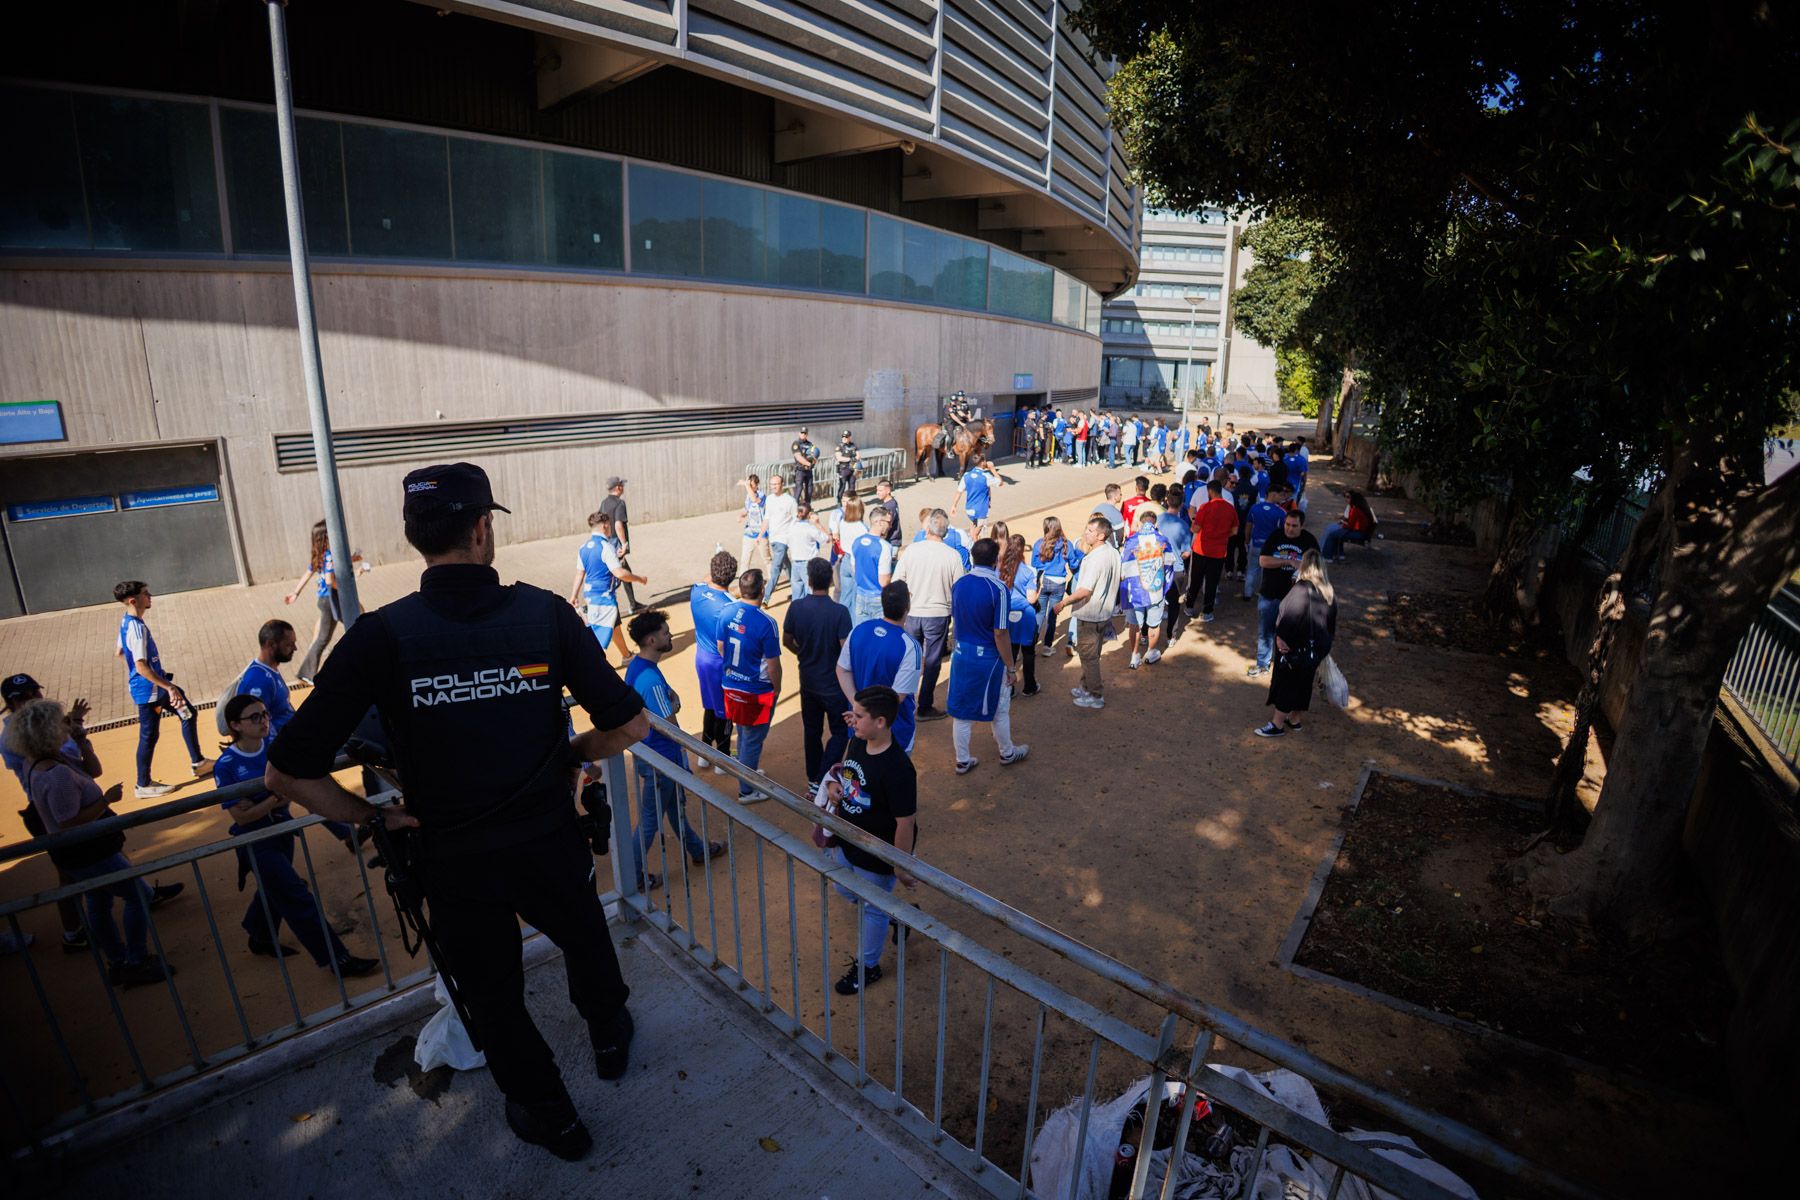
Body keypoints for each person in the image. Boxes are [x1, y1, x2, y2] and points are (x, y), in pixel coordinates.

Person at [264, 461, 651, 1162]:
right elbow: (629, 728)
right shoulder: (543, 614)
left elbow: (286, 770)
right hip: (547, 840)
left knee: (494, 996)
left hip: (451, 858)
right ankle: (608, 1036)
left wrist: (367, 816)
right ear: (482, 529)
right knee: (585, 936)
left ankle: (550, 1115)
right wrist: (570, 754)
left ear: (416, 539)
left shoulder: (381, 637)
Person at [6, 697, 181, 987]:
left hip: (77, 855)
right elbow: (70, 822)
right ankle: (135, 961)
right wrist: (105, 801)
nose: (66, 723)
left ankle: (118, 962)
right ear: (48, 731)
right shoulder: (56, 773)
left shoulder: (38, 762)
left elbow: (93, 769)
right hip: (91, 852)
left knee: (98, 902)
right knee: (138, 896)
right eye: (61, 721)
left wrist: (79, 734)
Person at [214, 694, 380, 976]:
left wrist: (265, 800)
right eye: (255, 717)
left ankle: (259, 934)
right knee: (295, 895)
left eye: (265, 714)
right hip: (256, 841)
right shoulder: (226, 765)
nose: (264, 721)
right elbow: (242, 816)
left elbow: (293, 787)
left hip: (282, 830)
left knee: (275, 887)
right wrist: (274, 796)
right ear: (235, 725)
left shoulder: (274, 744)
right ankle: (337, 959)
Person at [623, 610, 725, 889]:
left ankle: (697, 850)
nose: (670, 636)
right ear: (652, 639)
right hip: (662, 759)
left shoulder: (638, 667)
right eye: (666, 633)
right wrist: (675, 707)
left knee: (673, 808)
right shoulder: (650, 678)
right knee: (649, 821)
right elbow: (669, 724)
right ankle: (633, 875)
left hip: (653, 755)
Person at [827, 685, 917, 996]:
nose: (852, 719)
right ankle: (896, 916)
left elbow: (906, 822)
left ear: (880, 722)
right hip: (847, 839)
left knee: (872, 909)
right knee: (842, 887)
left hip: (876, 854)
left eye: (859, 715)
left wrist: (900, 866)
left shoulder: (898, 769)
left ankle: (868, 967)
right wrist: (833, 789)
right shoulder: (857, 740)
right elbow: (844, 773)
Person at [2, 673, 96, 953]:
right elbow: (61, 756)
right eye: (23, 697)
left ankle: (143, 893)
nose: (31, 699)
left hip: (75, 793)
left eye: (34, 692)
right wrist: (71, 727)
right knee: (68, 875)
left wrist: (71, 726)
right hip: (49, 809)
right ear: (10, 703)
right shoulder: (13, 737)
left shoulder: (45, 724)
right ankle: (72, 933)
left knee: (111, 853)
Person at [114, 579, 207, 799]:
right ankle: (142, 784)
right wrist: (167, 685)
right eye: (146, 593)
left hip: (156, 687)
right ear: (133, 600)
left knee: (187, 712)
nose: (150, 596)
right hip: (151, 692)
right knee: (148, 735)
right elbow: (140, 664)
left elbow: (119, 652)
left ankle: (199, 762)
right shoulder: (136, 628)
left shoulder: (126, 622)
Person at [946, 538, 1027, 774]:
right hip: (989, 659)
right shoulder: (999, 589)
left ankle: (962, 759)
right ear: (996, 560)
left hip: (961, 654)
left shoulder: (959, 584)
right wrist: (1011, 667)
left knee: (961, 711)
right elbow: (1000, 633)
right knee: (1000, 707)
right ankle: (1007, 752)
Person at [784, 559, 853, 790]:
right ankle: (824, 774)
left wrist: (801, 652)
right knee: (840, 732)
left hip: (808, 681)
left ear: (810, 580)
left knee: (812, 731)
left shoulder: (796, 607)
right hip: (833, 685)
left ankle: (814, 777)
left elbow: (787, 640)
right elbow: (846, 649)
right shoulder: (840, 612)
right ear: (831, 580)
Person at [893, 510, 964, 722]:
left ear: (928, 528)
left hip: (912, 612)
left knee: (909, 659)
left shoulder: (912, 550)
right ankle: (924, 705)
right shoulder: (952, 555)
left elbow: (898, 581)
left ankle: (902, 702)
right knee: (932, 661)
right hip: (938, 614)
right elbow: (958, 589)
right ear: (946, 531)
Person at [718, 569, 783, 800]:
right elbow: (773, 666)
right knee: (754, 738)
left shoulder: (726, 612)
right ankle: (746, 789)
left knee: (744, 729)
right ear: (762, 591)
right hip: (756, 691)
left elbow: (720, 647)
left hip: (731, 685)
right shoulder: (767, 622)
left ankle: (748, 770)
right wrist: (777, 688)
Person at [1258, 552, 1339, 738]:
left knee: (1287, 683)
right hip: (1315, 649)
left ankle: (1277, 724)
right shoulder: (1328, 591)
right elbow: (1331, 624)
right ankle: (1295, 719)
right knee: (1304, 684)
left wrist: (1280, 637)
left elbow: (1290, 617)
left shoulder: (1301, 589)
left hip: (1295, 647)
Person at [837, 582, 922, 756]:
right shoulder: (910, 647)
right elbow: (897, 697)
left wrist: (858, 708)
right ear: (907, 607)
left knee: (859, 777)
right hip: (893, 733)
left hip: (859, 726)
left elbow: (842, 670)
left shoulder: (859, 630)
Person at [1055, 517, 1121, 710]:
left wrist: (1064, 602)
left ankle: (1095, 694)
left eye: (1091, 530)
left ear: (1101, 535)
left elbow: (1085, 590)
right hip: (1103, 613)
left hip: (1090, 615)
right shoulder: (1113, 553)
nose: (1086, 532)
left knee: (1089, 658)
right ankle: (1085, 686)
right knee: (1090, 655)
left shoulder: (1095, 559)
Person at [569, 511, 647, 665]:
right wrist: (638, 578)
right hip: (603, 599)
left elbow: (580, 574)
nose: (610, 528)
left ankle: (626, 655)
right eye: (609, 525)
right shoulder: (606, 546)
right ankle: (583, 666)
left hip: (591, 595)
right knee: (599, 635)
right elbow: (619, 573)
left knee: (614, 624)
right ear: (605, 526)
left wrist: (574, 595)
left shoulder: (583, 548)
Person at [1254, 509, 1321, 680]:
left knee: (1290, 636)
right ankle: (1262, 664)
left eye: (1294, 526)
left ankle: (1286, 665)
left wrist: (1303, 567)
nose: (1289, 529)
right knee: (1266, 632)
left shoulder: (1309, 541)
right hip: (1270, 595)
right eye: (1287, 524)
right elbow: (1263, 561)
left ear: (1302, 526)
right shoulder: (1276, 536)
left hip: (1295, 602)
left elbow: (1317, 569)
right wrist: (1287, 561)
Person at [689, 550, 740, 771]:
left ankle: (704, 752)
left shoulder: (696, 592)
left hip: (701, 659)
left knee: (710, 706)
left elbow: (705, 581)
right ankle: (724, 758)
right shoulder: (732, 607)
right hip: (722, 664)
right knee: (726, 712)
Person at [286, 521, 339, 682]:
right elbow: (330, 580)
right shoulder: (328, 555)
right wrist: (346, 587)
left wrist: (295, 593)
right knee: (324, 638)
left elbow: (307, 574)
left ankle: (307, 673)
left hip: (324, 600)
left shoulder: (319, 554)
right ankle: (307, 673)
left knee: (354, 622)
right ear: (326, 537)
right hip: (331, 600)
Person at [1120, 510, 1173, 669]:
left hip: (1134, 593)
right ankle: (1151, 652)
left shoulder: (1130, 541)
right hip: (1155, 591)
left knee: (1134, 624)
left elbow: (1122, 569)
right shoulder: (1162, 540)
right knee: (1154, 624)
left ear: (1140, 524)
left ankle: (1134, 656)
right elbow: (1170, 564)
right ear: (1156, 524)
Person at [1185, 481, 1238, 622]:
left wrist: (1195, 525)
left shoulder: (1205, 507)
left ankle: (1189, 607)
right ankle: (1207, 612)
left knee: (1195, 580)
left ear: (1209, 492)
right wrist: (1222, 534)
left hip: (1200, 550)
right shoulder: (1230, 508)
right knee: (1212, 582)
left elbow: (1195, 529)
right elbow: (1235, 530)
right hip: (1219, 552)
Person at [999, 535, 1041, 696]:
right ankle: (1029, 686)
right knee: (1028, 652)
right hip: (1025, 615)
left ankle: (1008, 687)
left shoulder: (1000, 569)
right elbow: (1031, 599)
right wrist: (1039, 588)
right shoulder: (1028, 570)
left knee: (1010, 651)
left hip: (1007, 613)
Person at [1243, 482, 1293, 608]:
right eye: (1280, 495)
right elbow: (1283, 532)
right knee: (1267, 571)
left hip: (1255, 543)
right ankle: (1262, 592)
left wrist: (1247, 540)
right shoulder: (1281, 512)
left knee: (1252, 569)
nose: (1282, 498)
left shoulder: (1255, 508)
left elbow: (1248, 526)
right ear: (1273, 495)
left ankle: (1247, 593)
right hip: (1270, 547)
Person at [598, 477, 643, 616]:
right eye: (622, 485)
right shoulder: (619, 503)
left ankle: (633, 603)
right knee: (621, 573)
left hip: (607, 541)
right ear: (618, 488)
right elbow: (618, 524)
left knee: (621, 572)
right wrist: (624, 544)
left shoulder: (604, 503)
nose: (623, 487)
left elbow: (600, 523)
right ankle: (628, 605)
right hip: (616, 543)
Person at [1031, 517, 1076, 654]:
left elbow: (1034, 564)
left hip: (1043, 582)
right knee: (1052, 615)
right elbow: (1073, 563)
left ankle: (1031, 646)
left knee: (1039, 614)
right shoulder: (1066, 544)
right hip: (1059, 583)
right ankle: (1047, 647)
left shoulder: (1039, 543)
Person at [846, 507, 895, 626]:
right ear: (879, 522)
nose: (890, 526)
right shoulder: (884, 547)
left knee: (862, 634)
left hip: (860, 594)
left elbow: (854, 570)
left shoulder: (857, 541)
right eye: (888, 522)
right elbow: (884, 582)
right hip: (877, 598)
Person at [1156, 496, 1193, 645]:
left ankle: (1145, 634)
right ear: (1181, 505)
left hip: (1156, 567)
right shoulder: (1183, 525)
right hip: (1176, 569)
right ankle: (1171, 636)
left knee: (1152, 602)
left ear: (1167, 502)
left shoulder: (1158, 519)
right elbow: (1187, 553)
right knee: (1173, 603)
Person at [761, 476, 798, 608]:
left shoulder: (790, 501)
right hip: (773, 538)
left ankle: (765, 598)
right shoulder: (769, 499)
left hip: (784, 539)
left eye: (776, 484)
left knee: (775, 568)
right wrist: (760, 535)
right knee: (787, 565)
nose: (774, 486)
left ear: (782, 484)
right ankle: (797, 591)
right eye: (772, 484)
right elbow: (767, 518)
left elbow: (796, 519)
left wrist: (793, 538)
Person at [784, 501, 834, 599]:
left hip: (795, 562)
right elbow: (827, 539)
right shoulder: (810, 529)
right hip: (808, 563)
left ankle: (797, 613)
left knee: (797, 593)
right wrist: (818, 524)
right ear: (810, 514)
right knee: (811, 591)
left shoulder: (791, 526)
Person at [830, 496, 870, 602]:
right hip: (857, 561)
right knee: (857, 596)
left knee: (845, 595)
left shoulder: (843, 522)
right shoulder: (862, 528)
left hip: (845, 559)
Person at [952, 453, 1003, 533]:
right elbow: (1000, 483)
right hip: (981, 510)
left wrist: (954, 506)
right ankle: (974, 543)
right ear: (983, 462)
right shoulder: (986, 476)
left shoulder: (966, 475)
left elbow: (959, 491)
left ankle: (972, 540)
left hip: (969, 509)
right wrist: (993, 469)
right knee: (978, 533)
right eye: (985, 460)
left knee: (974, 525)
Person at [1322, 490, 1379, 561]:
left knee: (1332, 535)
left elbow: (1349, 526)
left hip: (1359, 533)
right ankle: (1340, 554)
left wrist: (1343, 524)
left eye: (1349, 497)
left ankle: (1327, 556)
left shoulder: (1355, 509)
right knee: (1337, 533)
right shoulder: (1363, 509)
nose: (1347, 499)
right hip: (1363, 533)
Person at [737, 475, 769, 571]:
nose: (749, 487)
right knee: (744, 561)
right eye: (749, 485)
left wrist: (746, 485)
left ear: (757, 485)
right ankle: (742, 584)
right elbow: (746, 509)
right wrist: (741, 515)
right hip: (749, 533)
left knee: (767, 560)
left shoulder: (762, 495)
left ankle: (772, 583)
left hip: (761, 534)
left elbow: (755, 499)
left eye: (751, 485)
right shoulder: (748, 496)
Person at [873, 478, 902, 548]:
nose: (877, 493)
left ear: (888, 491)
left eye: (880, 490)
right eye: (877, 490)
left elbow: (886, 526)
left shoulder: (889, 506)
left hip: (891, 542)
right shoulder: (891, 502)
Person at [791, 426, 818, 502]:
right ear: (799, 433)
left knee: (809, 489)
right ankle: (795, 507)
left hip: (808, 471)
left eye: (805, 433)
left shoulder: (810, 444)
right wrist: (808, 464)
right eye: (802, 432)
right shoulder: (796, 443)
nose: (803, 434)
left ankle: (807, 507)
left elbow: (814, 456)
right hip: (800, 470)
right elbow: (798, 457)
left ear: (807, 434)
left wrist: (814, 462)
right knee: (798, 490)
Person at [834, 429, 861, 505]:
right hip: (843, 469)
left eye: (846, 437)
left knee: (852, 486)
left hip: (852, 468)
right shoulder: (839, 446)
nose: (844, 438)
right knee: (842, 486)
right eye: (843, 437)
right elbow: (839, 458)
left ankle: (852, 502)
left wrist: (855, 458)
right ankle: (839, 501)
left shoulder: (853, 445)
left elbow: (858, 455)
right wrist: (851, 459)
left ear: (850, 437)